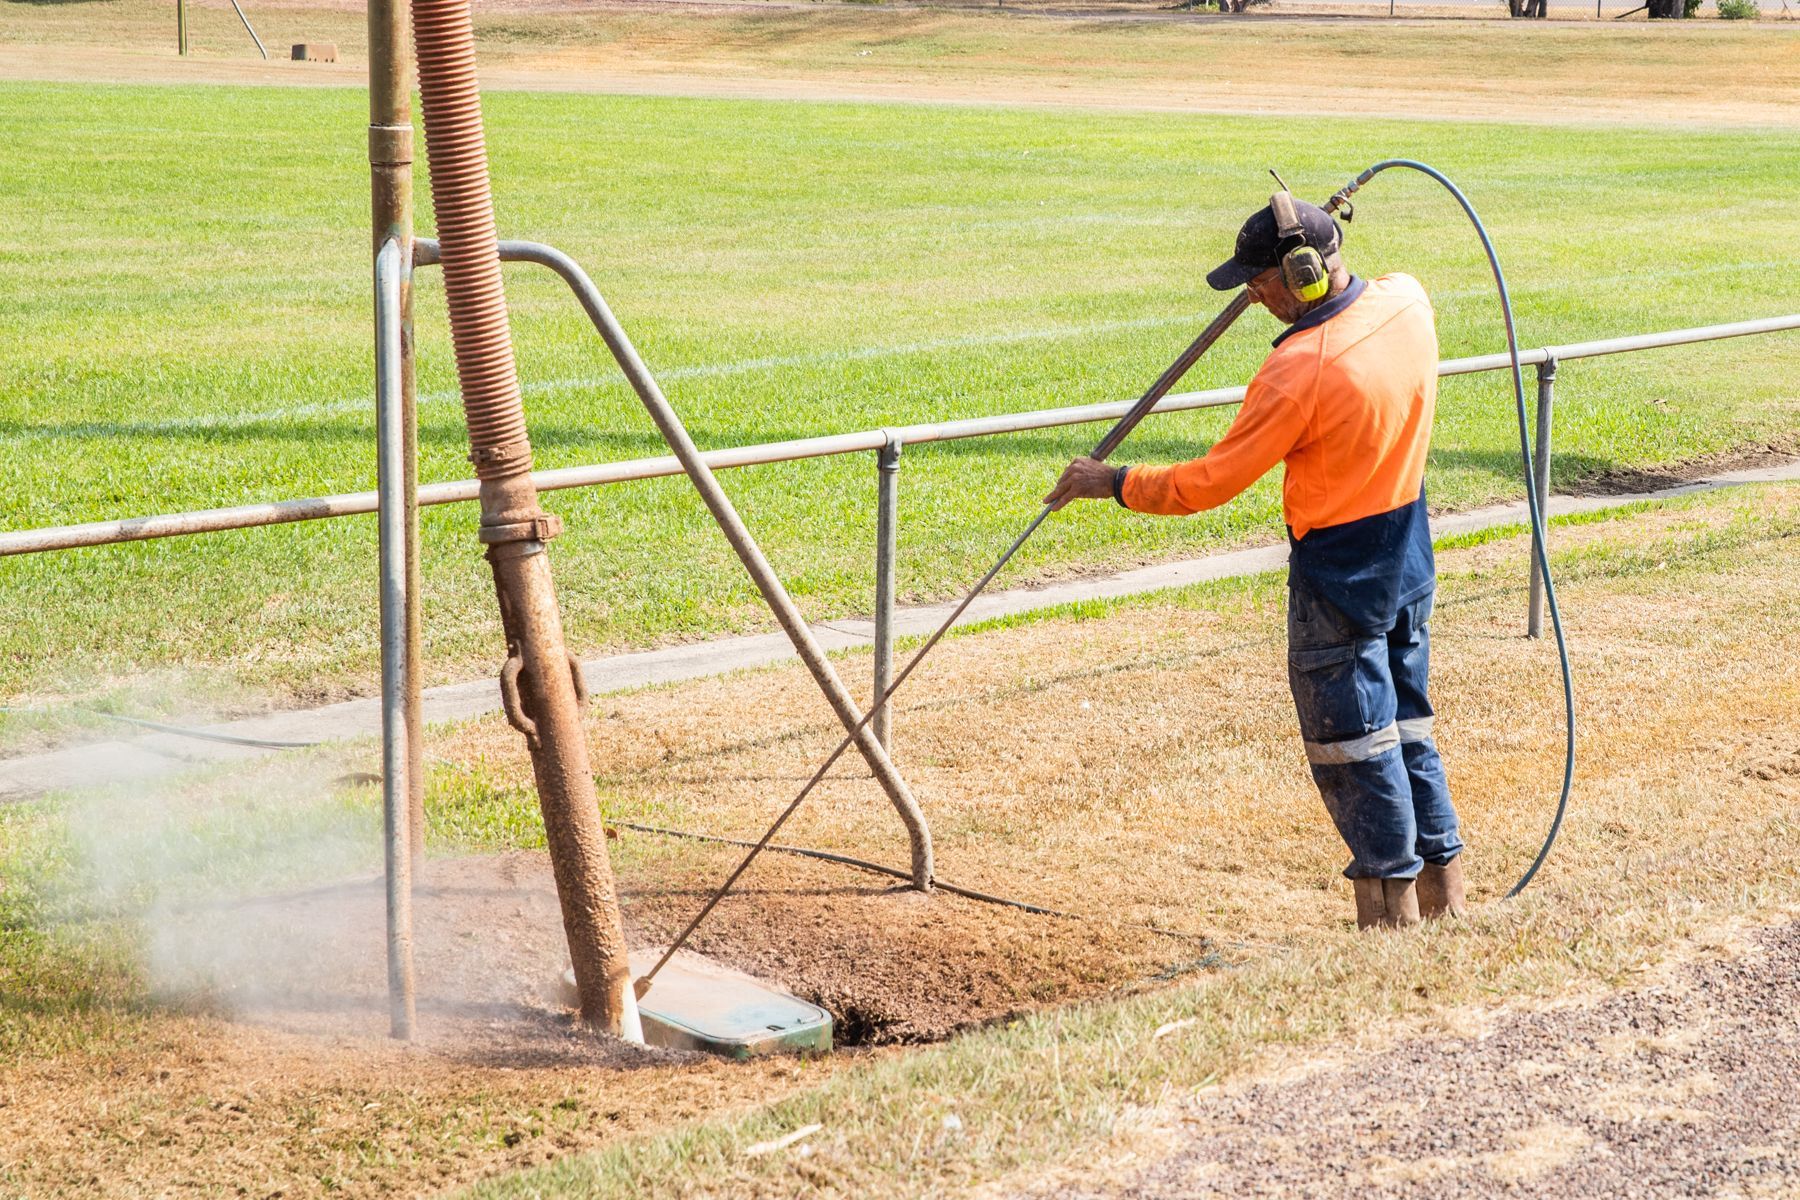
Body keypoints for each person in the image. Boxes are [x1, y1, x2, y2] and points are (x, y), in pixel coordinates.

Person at [1043, 194, 1465, 930]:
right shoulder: (1409, 302)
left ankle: (1391, 920)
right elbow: (1373, 287)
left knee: (1357, 750)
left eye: (1260, 280)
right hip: (1410, 557)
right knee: (1408, 727)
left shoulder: (1299, 369)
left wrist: (1111, 483)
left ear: (1301, 273)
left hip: (1340, 576)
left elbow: (1210, 484)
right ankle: (1448, 900)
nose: (1252, 295)